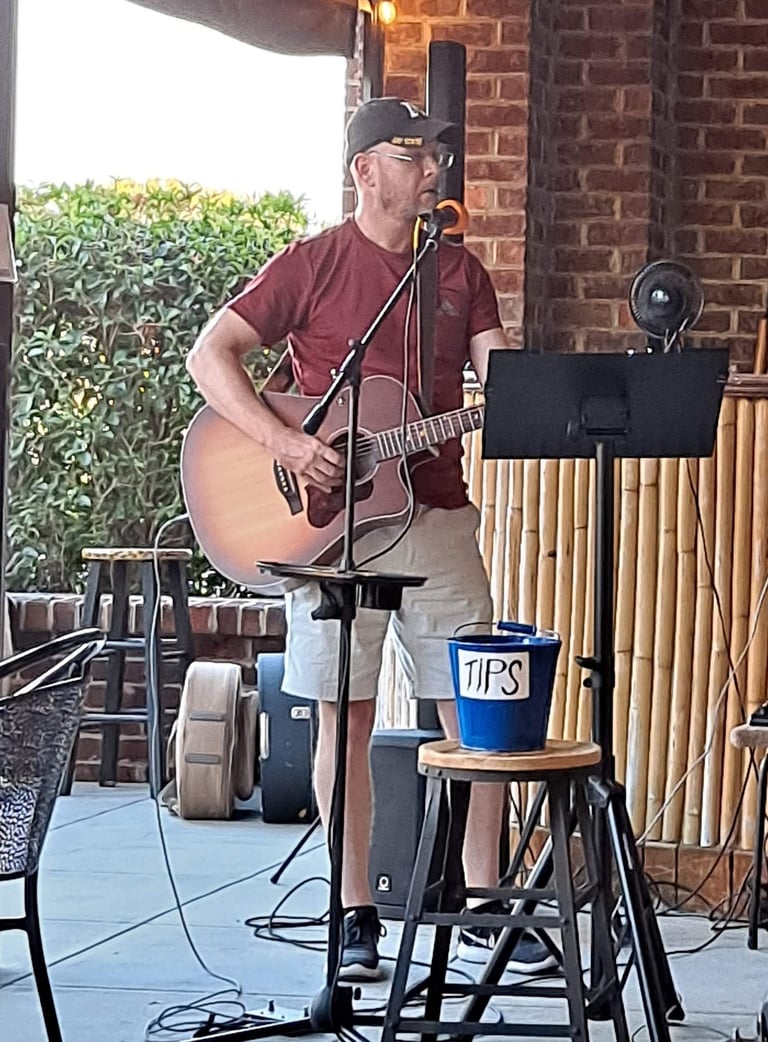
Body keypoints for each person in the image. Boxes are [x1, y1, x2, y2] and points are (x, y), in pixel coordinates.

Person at [186, 96, 556, 982]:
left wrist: (538, 391)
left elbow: (499, 374)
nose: (434, 168)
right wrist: (289, 444)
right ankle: (353, 910)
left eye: (436, 156)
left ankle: (480, 902)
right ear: (364, 170)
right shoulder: (312, 264)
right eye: (413, 155)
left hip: (434, 514)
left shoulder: (461, 272)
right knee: (342, 718)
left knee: (480, 713)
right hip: (329, 531)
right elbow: (211, 354)